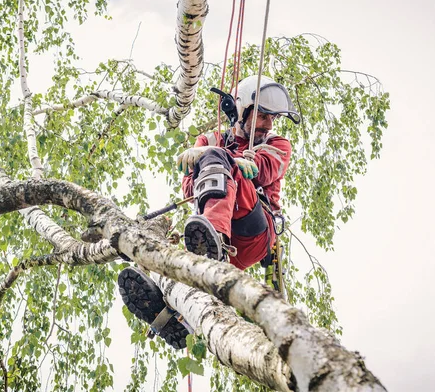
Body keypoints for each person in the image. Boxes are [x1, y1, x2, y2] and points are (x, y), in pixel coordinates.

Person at [117, 75, 301, 349]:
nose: (269, 124)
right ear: (241, 111)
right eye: (263, 116)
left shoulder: (277, 144)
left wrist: (221, 159)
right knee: (167, 258)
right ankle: (171, 316)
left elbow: (265, 170)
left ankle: (212, 243)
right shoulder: (211, 139)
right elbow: (190, 188)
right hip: (220, 233)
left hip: (255, 230)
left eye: (273, 118)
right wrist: (209, 158)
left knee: (216, 157)